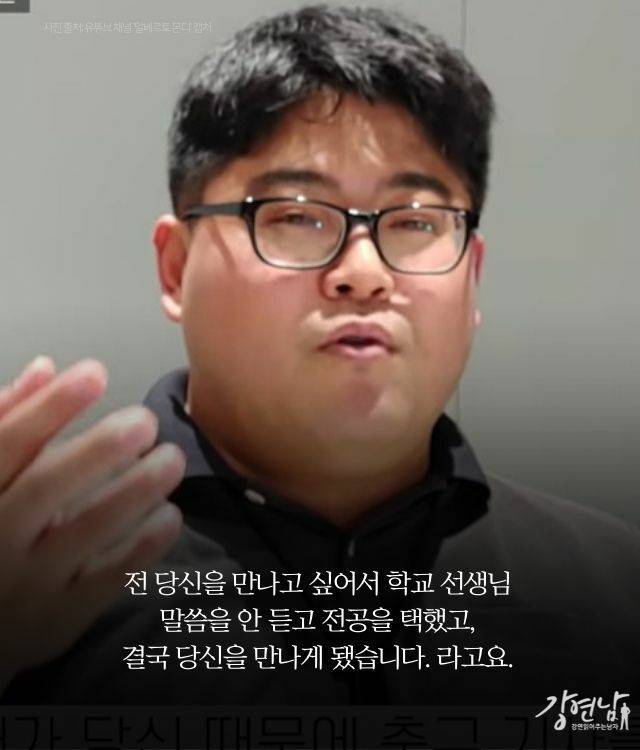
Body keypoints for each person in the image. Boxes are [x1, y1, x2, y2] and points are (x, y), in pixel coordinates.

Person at [2, 4, 639, 711]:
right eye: (298, 216)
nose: (363, 272)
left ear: (473, 276)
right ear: (176, 270)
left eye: (416, 221)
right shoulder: (39, 573)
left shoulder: (610, 591)